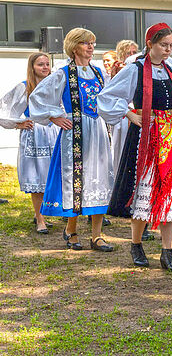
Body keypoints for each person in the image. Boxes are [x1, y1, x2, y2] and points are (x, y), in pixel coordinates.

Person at [98, 23, 172, 271]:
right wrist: (129, 114)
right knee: (143, 189)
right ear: (150, 44)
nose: (168, 50)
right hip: (145, 135)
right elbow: (107, 97)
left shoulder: (171, 68)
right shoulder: (135, 69)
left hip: (171, 136)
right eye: (163, 45)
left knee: (170, 192)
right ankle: (136, 244)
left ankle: (168, 251)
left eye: (171, 46)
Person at [29, 28, 114, 252]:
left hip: (97, 130)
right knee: (76, 179)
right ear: (74, 46)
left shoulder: (98, 73)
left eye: (92, 43)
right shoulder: (63, 73)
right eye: (86, 43)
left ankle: (97, 235)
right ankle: (71, 229)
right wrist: (54, 117)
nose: (90, 47)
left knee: (100, 178)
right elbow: (37, 98)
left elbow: (108, 99)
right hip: (75, 133)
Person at [0, 53, 60, 233]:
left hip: (53, 133)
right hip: (35, 134)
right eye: (40, 64)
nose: (45, 67)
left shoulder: (56, 85)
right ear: (32, 67)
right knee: (37, 176)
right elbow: (5, 108)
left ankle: (42, 212)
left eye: (47, 64)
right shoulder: (25, 87)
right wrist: (18, 124)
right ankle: (40, 218)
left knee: (50, 175)